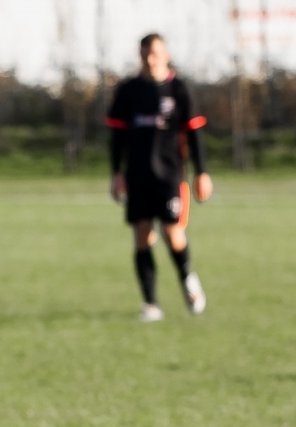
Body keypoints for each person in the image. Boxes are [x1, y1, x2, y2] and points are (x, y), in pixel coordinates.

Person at [108, 33, 212, 322]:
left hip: (170, 176)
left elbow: (194, 133)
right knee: (142, 235)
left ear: (165, 54)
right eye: (144, 54)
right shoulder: (129, 90)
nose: (149, 59)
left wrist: (202, 172)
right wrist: (116, 173)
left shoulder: (179, 89)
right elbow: (117, 136)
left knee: (171, 233)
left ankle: (187, 277)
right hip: (137, 176)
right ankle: (151, 303)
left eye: (154, 53)